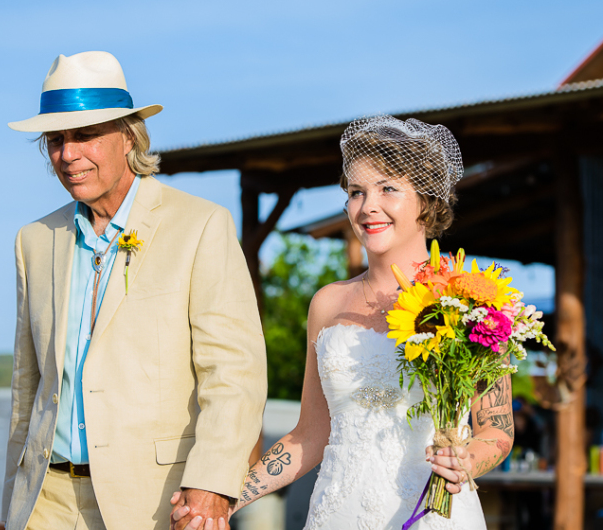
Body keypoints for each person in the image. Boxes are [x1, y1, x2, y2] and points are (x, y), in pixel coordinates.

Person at [173, 115, 514, 529]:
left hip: (431, 514)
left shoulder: (470, 301)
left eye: (388, 188)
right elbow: (309, 436)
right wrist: (226, 498)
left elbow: (496, 431)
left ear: (428, 201)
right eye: (356, 192)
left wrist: (466, 461)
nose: (367, 206)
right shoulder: (327, 304)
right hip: (337, 513)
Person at [2, 51, 267, 530]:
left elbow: (234, 373)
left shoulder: (200, 225)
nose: (67, 154)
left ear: (129, 136)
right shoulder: (34, 242)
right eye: (56, 140)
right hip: (44, 501)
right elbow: (28, 388)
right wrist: (13, 502)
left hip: (155, 499)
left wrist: (211, 483)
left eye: (84, 136)